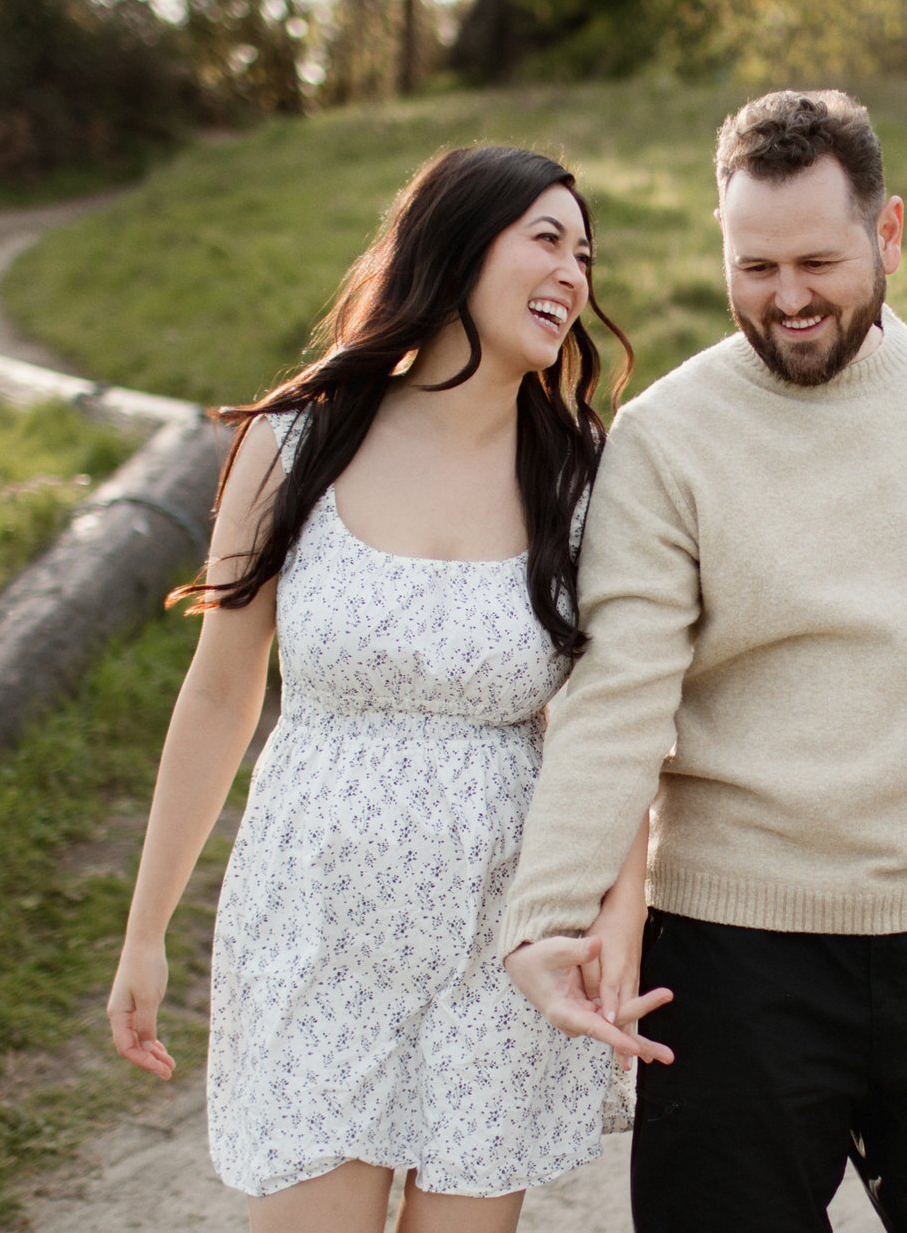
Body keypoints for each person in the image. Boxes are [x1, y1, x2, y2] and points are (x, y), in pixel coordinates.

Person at [502, 90, 907, 1231]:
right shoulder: (666, 437)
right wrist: (550, 913)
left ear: (888, 232)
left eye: (818, 262)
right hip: (733, 960)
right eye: (755, 265)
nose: (787, 298)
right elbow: (618, 695)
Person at [105, 144, 668, 1233]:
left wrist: (618, 915)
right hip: (315, 922)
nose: (573, 273)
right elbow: (219, 695)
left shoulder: (582, 474)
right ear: (456, 247)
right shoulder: (297, 442)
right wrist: (144, 931)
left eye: (585, 255)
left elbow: (615, 717)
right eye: (546, 240)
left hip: (498, 933)